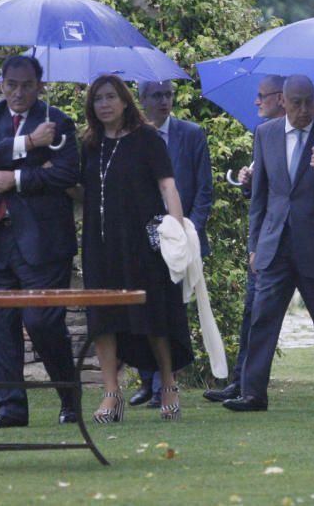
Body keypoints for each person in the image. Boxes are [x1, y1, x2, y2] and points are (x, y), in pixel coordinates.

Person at [223, 75, 314, 412]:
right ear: (282, 101)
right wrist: (254, 244)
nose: (304, 109)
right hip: (274, 244)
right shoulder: (265, 134)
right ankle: (253, 393)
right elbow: (261, 197)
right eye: (297, 102)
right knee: (262, 318)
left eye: (309, 101)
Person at [0, 55, 79, 429]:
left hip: (43, 241)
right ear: (1, 84)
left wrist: (18, 179)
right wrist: (29, 143)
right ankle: (10, 409)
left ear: (39, 85)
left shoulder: (58, 121)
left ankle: (69, 398)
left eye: (27, 85)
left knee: (42, 322)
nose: (18, 92)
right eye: (11, 84)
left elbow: (66, 174)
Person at [79, 75, 193, 423]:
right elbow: (80, 190)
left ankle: (168, 383)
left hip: (143, 242)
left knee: (153, 317)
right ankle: (112, 393)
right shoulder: (88, 143)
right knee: (103, 319)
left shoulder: (148, 139)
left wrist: (175, 230)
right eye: (98, 99)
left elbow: (168, 186)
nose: (104, 105)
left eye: (111, 97)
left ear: (126, 100)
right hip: (100, 244)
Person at [129, 80, 213, 409]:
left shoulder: (191, 134)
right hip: (144, 239)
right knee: (142, 309)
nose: (164, 101)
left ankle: (166, 382)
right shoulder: (132, 137)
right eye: (157, 96)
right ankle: (147, 381)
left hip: (181, 238)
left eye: (168, 95)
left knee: (171, 313)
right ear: (142, 99)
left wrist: (188, 232)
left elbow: (204, 190)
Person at [203, 75, 286, 404]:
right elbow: (262, 195)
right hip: (264, 241)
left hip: (291, 243)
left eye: (262, 96)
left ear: (281, 98)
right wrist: (248, 180)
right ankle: (240, 383)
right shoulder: (263, 135)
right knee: (252, 312)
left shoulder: (305, 138)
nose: (256, 102)